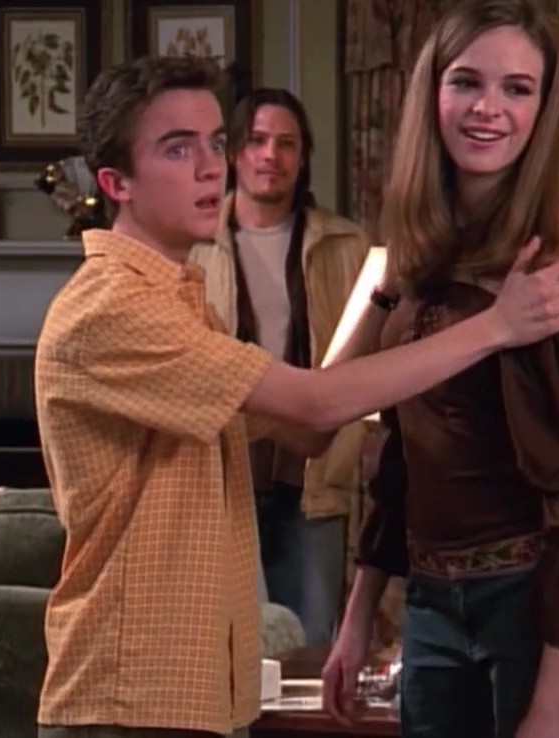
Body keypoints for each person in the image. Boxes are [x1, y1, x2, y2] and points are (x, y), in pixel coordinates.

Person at [33, 54, 559, 738]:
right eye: (177, 149)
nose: (212, 168)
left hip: (181, 694)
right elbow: (315, 404)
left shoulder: (180, 301)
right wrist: (498, 325)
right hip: (128, 696)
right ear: (115, 182)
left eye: (215, 143)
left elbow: (306, 434)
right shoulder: (113, 308)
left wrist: (386, 293)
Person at [320, 1, 559, 737]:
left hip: (530, 603)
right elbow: (404, 453)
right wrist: (358, 615)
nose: (489, 108)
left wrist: (555, 700)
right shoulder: (419, 250)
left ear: (542, 110)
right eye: (467, 82)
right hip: (431, 603)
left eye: (517, 89)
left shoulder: (554, 260)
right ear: (432, 93)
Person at [189, 87, 371, 647]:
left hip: (314, 477)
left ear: (303, 155)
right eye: (257, 141)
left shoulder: (346, 246)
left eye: (287, 143)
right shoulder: (194, 244)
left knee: (309, 644)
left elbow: (367, 359)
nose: (271, 155)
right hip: (222, 475)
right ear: (233, 152)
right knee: (232, 644)